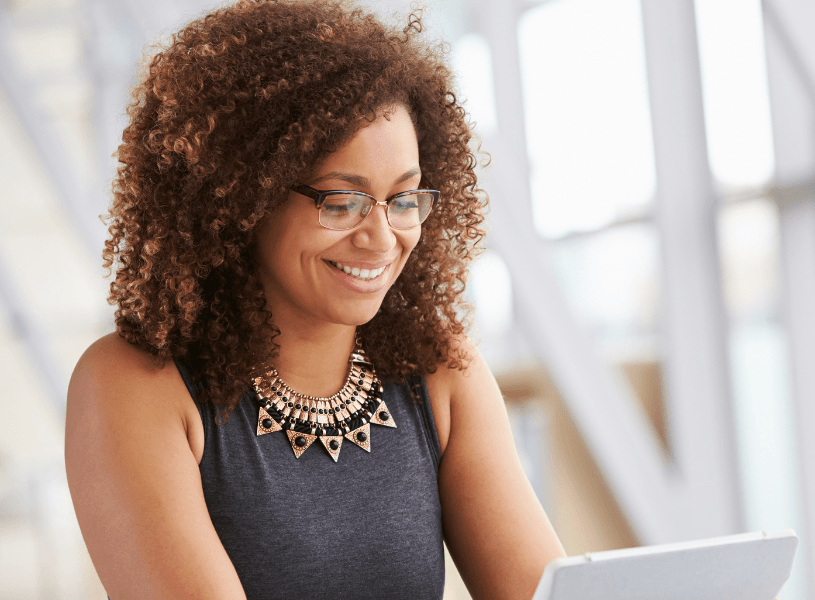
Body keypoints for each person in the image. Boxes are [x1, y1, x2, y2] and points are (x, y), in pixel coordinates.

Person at [63, 1, 565, 598]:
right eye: (341, 201)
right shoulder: (134, 385)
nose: (381, 237)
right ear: (242, 197)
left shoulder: (439, 373)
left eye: (404, 200)